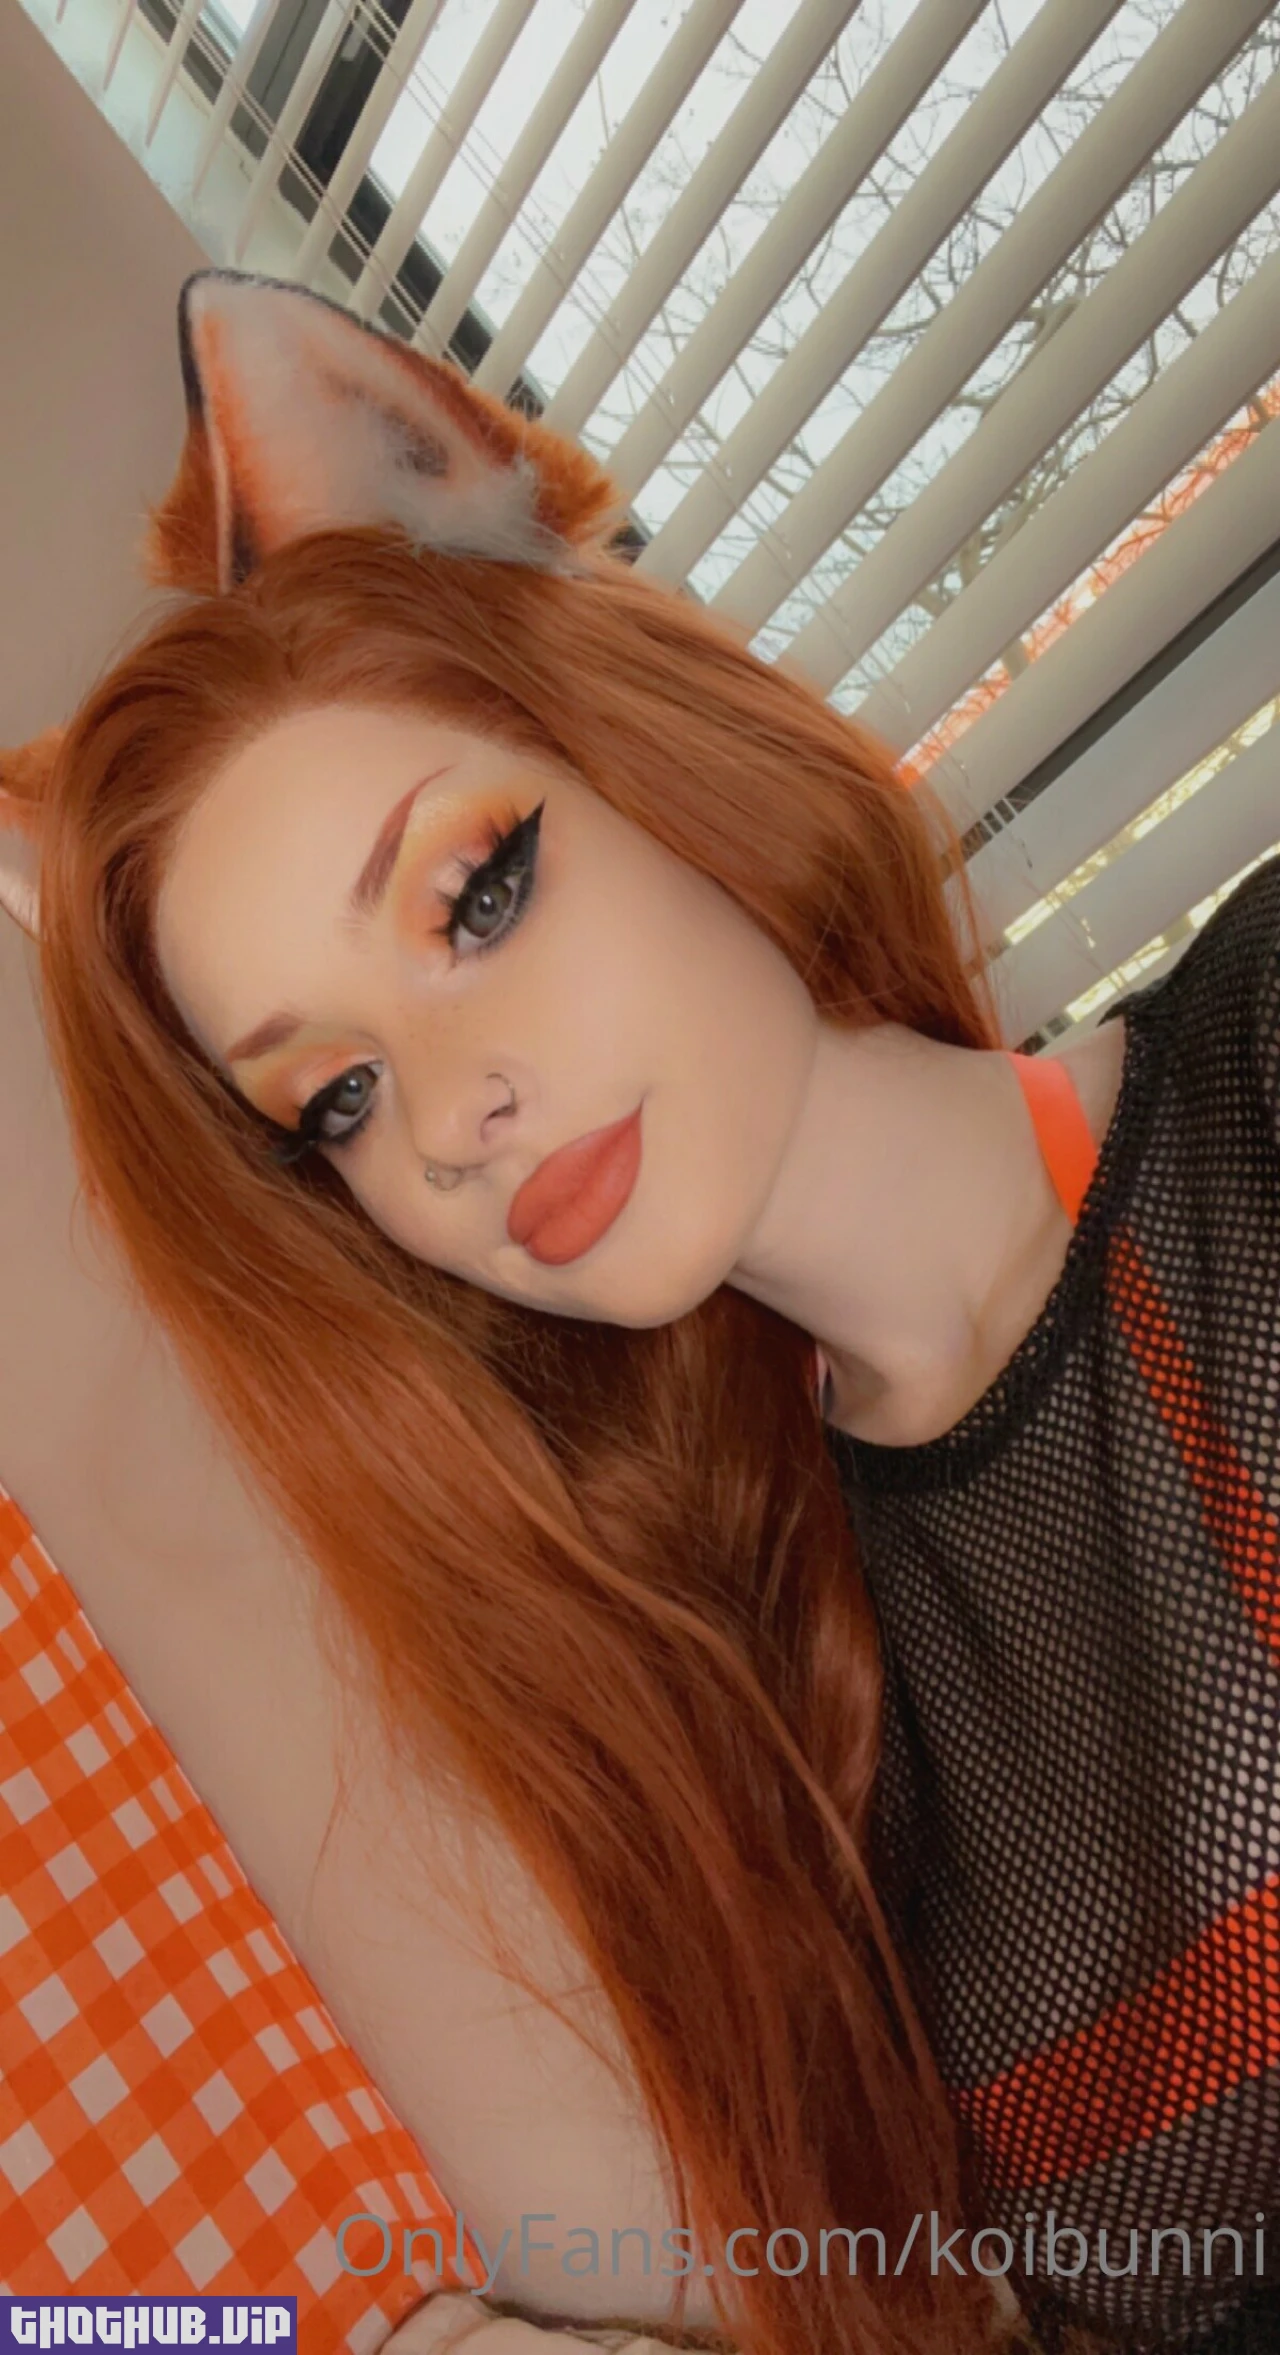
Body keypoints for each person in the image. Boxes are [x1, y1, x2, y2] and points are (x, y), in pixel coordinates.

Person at [1, 268, 1277, 2355]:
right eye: (335, 1100)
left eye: (475, 893)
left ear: (648, 754)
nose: (449, 1116)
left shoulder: (1260, 1081)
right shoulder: (794, 1704)